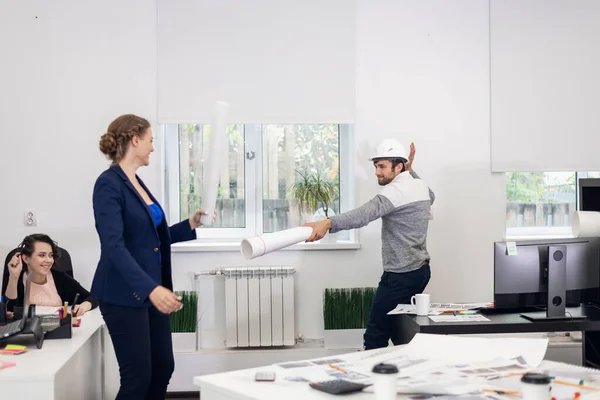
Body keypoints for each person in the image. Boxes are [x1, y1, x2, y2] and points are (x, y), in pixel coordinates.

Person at [91, 114, 209, 400]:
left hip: (151, 290)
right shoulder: (108, 184)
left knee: (162, 366)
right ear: (135, 139)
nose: (153, 147)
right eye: (150, 140)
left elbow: (150, 237)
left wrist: (190, 225)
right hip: (123, 293)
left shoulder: (136, 182)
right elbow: (113, 246)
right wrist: (151, 289)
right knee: (138, 377)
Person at [304, 138, 435, 350]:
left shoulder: (395, 192)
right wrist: (411, 170)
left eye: (382, 166)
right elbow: (432, 197)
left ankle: (375, 381)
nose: (377, 172)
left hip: (400, 276)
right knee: (399, 330)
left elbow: (364, 214)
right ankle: (409, 373)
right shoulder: (419, 185)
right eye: (376, 166)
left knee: (375, 335)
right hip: (420, 271)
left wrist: (328, 222)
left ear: (398, 166)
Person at [3, 233, 96, 315]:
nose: (48, 260)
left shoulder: (60, 278)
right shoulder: (17, 279)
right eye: (42, 255)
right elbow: (8, 311)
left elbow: (93, 297)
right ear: (26, 259)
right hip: (27, 332)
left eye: (50, 255)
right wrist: (14, 277)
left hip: (58, 330)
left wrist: (84, 306)